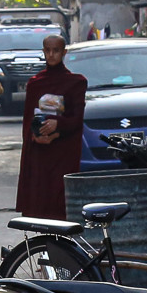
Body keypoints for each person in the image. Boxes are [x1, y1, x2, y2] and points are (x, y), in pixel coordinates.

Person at [17, 35, 87, 220]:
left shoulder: (76, 82)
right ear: (43, 52)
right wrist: (34, 136)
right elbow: (28, 119)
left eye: (56, 51)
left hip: (63, 152)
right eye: (47, 50)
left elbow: (77, 119)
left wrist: (58, 126)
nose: (51, 55)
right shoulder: (35, 83)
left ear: (63, 53)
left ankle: (62, 246)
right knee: (41, 205)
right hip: (41, 151)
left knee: (61, 203)